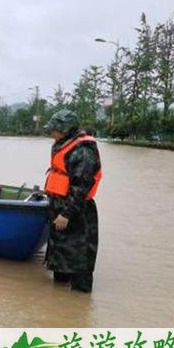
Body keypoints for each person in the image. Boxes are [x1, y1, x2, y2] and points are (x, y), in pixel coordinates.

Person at [43, 110, 102, 293]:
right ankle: (59, 307)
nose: (51, 133)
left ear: (64, 129)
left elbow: (80, 187)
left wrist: (66, 214)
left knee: (79, 260)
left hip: (77, 214)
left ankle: (79, 308)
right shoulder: (64, 144)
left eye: (54, 129)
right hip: (59, 208)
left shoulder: (83, 152)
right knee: (60, 258)